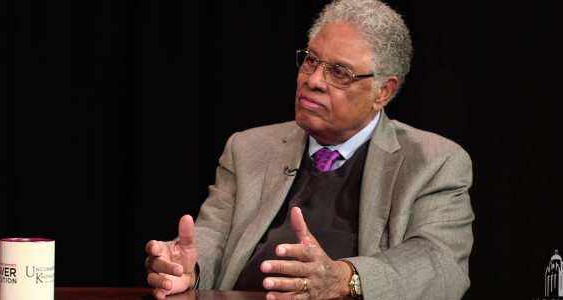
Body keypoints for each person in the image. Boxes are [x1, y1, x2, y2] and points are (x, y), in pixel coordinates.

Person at [145, 0, 474, 299]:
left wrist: (344, 278)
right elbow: (213, 235)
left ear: (383, 92)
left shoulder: (433, 161)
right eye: (311, 61)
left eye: (339, 73)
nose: (314, 80)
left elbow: (439, 263)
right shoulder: (248, 148)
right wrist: (189, 266)